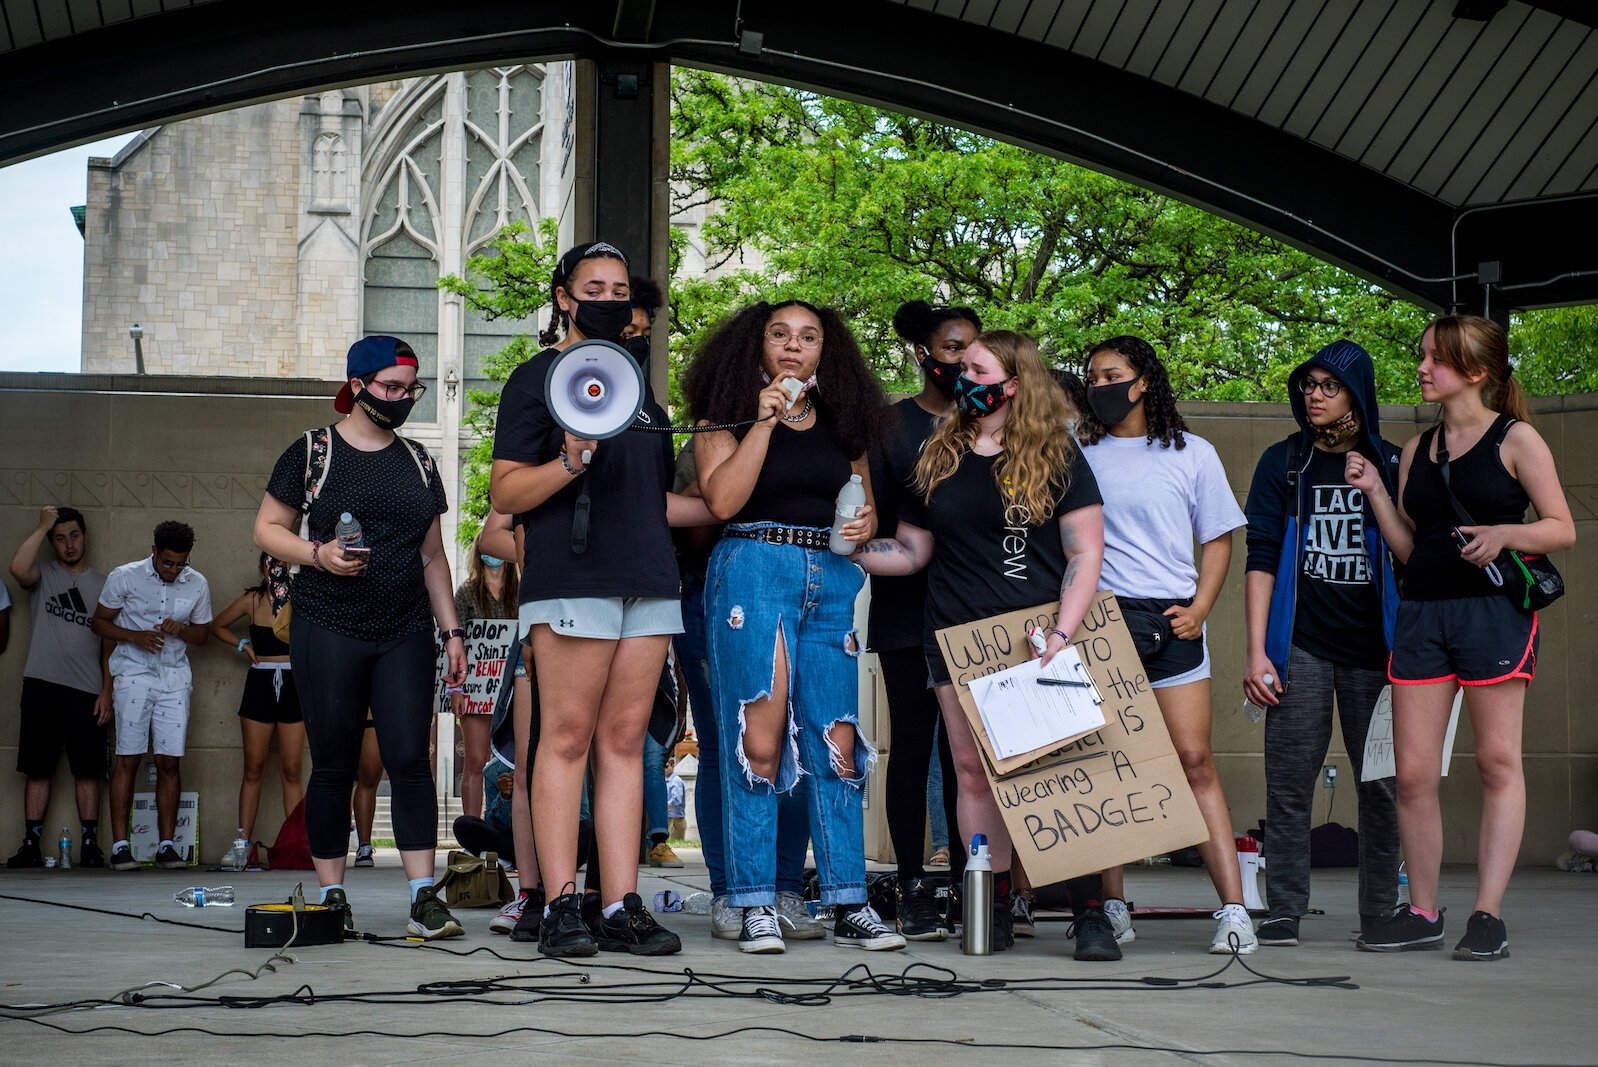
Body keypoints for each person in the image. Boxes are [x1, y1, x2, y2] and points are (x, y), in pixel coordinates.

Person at [855, 329, 1120, 961]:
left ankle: (1089, 912)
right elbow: (914, 550)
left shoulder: (1058, 453)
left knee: (1058, 771)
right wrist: (853, 549)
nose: (960, 375)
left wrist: (1062, 633)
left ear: (1014, 384)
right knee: (974, 775)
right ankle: (990, 908)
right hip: (955, 637)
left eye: (976, 367)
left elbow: (1086, 553)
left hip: (1038, 639)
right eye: (959, 365)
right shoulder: (938, 453)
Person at [490, 241, 713, 957]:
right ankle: (559, 904)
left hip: (646, 579)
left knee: (625, 742)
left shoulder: (643, 394)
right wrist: (568, 457)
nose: (611, 298)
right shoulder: (535, 382)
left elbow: (649, 500)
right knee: (564, 739)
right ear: (564, 297)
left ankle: (619, 902)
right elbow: (505, 495)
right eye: (595, 286)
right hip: (573, 579)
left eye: (621, 287)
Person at [1349, 314, 1574, 960]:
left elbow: (1562, 527)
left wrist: (1506, 534)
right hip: (1421, 613)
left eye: (1434, 360)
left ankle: (1487, 913)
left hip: (1492, 613)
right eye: (1421, 356)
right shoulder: (1419, 450)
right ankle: (1422, 910)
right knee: (1414, 774)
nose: (1421, 368)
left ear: (1474, 372)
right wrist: (1375, 494)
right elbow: (1410, 548)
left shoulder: (1517, 438)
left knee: (1499, 763)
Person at [685, 297, 905, 955]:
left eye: (807, 337)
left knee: (838, 743)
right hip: (754, 566)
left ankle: (848, 900)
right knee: (759, 741)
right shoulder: (722, 416)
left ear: (824, 350)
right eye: (779, 334)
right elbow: (721, 499)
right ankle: (751, 901)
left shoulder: (846, 422)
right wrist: (763, 421)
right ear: (757, 345)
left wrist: (866, 522)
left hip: (830, 578)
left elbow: (859, 503)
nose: (792, 345)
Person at [255, 334, 467, 939]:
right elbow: (268, 528)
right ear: (357, 385)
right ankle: (331, 896)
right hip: (327, 626)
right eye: (390, 388)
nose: (402, 399)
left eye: (410, 389)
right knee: (334, 765)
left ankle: (424, 898)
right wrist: (316, 555)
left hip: (403, 628)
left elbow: (432, 557)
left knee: (409, 759)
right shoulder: (311, 452)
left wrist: (451, 631)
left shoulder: (419, 463)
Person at [1077, 334, 1256, 955]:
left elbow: (1220, 537)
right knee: (1108, 766)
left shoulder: (1192, 452)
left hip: (1175, 620)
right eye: (1093, 376)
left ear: (1144, 380)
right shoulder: (1078, 451)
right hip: (1101, 623)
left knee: (1194, 760)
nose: (1101, 385)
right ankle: (1113, 906)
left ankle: (1233, 909)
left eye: (1113, 374)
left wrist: (1202, 608)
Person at [1242, 340, 1402, 947]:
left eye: (1328, 385)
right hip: (1300, 645)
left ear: (1356, 395)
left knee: (1380, 786)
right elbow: (1260, 558)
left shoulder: (1390, 461)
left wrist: (1377, 489)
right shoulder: (1284, 463)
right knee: (1289, 784)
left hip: (1377, 651)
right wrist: (1257, 651)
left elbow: (1412, 552)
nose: (1313, 395)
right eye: (1307, 384)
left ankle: (1382, 910)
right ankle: (1284, 909)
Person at [672, 436, 823, 942]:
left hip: (792, 595)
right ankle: (730, 892)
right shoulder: (711, 434)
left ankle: (784, 889)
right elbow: (687, 534)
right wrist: (726, 484)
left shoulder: (813, 429)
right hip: (709, 594)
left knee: (795, 742)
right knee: (721, 745)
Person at [873, 298, 976, 939]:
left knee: (972, 757)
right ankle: (911, 884)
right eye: (950, 348)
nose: (962, 361)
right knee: (913, 747)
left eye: (972, 349)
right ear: (923, 354)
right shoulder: (890, 426)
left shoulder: (994, 421)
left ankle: (976, 884)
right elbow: (876, 523)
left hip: (977, 611)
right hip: (909, 609)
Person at [92, 520, 212, 871]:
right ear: (154, 552)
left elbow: (203, 635)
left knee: (169, 761)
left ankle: (166, 845)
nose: (174, 570)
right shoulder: (125, 576)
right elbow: (98, 623)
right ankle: (120, 846)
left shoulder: (198, 583)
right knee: (127, 756)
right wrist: (133, 636)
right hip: (132, 673)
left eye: (181, 563)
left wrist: (184, 630)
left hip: (174, 677)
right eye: (167, 562)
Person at [6, 506, 113, 869]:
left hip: (87, 690)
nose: (69, 544)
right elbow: (17, 569)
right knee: (38, 768)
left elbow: (109, 646)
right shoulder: (44, 574)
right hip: (42, 685)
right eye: (60, 538)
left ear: (86, 537)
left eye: (75, 536)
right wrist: (42, 526)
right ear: (52, 542)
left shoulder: (103, 584)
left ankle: (90, 844)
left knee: (88, 769)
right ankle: (31, 843)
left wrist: (107, 691)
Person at [209, 552, 305, 854]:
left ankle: (296, 845)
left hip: (294, 683)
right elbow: (217, 625)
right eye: (270, 562)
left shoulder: (300, 597)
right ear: (261, 567)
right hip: (260, 683)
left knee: (291, 770)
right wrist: (242, 645)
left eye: (281, 562)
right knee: (254, 768)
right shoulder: (251, 600)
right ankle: (241, 844)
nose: (275, 567)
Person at [452, 534, 521, 821]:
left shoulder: (521, 592)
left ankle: (504, 825)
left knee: (512, 761)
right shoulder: (467, 593)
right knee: (476, 761)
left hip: (514, 689)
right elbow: (453, 641)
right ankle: (473, 833)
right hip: (476, 689)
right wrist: (455, 689)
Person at [665, 756, 686, 842]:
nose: (664, 769)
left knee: (676, 845)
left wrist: (667, 805)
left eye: (666, 766)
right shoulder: (666, 780)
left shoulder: (676, 781)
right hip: (669, 817)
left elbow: (677, 799)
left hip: (676, 820)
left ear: (673, 766)